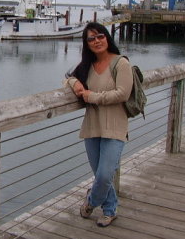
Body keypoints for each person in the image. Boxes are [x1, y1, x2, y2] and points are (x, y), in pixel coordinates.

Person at [66, 22, 133, 227]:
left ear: (107, 37)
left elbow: (123, 93)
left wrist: (92, 96)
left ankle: (91, 201)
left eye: (100, 36)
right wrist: (75, 83)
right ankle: (110, 210)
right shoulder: (87, 66)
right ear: (86, 44)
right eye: (91, 39)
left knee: (104, 175)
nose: (97, 41)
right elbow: (69, 77)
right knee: (100, 175)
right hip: (93, 126)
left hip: (115, 127)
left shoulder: (121, 63)